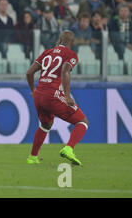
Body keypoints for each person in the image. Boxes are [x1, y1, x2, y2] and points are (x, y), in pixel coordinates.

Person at [26, 31, 90, 166]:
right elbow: (65, 71)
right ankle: (69, 148)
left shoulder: (47, 52)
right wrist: (67, 96)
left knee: (45, 125)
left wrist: (33, 90)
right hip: (52, 94)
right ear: (72, 43)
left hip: (39, 95)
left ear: (59, 40)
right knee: (82, 122)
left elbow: (29, 72)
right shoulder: (71, 54)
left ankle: (32, 157)